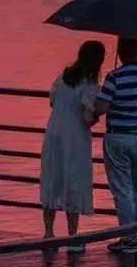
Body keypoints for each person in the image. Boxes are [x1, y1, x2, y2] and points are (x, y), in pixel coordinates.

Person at [95, 37, 137, 253]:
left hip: (118, 136)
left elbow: (101, 107)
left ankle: (128, 239)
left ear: (120, 52)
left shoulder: (114, 76)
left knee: (123, 189)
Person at [39, 39, 105, 245]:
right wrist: (97, 115)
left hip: (54, 133)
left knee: (53, 177)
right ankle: (73, 235)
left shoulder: (63, 77)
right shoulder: (90, 84)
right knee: (73, 180)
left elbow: (52, 101)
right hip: (75, 137)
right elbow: (87, 118)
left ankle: (49, 232)